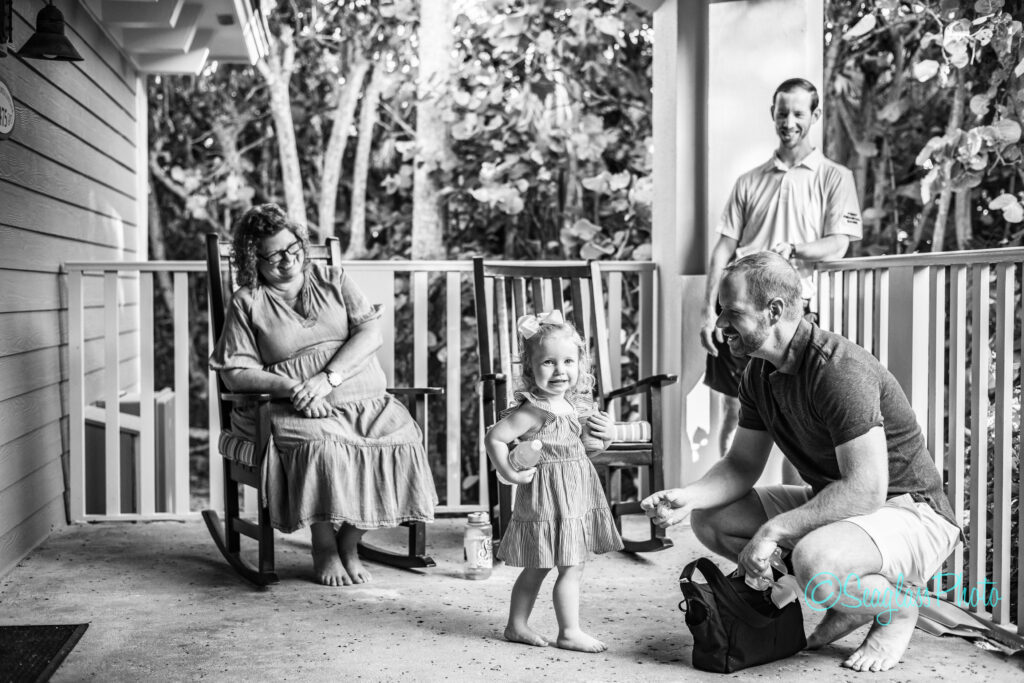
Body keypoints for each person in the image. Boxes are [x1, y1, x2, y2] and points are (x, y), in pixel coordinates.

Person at [643, 252, 960, 673]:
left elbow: (867, 489)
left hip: (910, 511)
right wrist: (688, 496)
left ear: (773, 311)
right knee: (710, 519)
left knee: (815, 561)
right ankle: (846, 597)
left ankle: (895, 609)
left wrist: (775, 531)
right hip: (843, 505)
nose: (720, 324)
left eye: (731, 312)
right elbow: (741, 464)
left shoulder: (837, 371)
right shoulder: (758, 373)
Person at [209, 203, 437, 587]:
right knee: (325, 448)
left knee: (404, 440)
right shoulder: (247, 302)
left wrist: (325, 380)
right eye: (274, 255)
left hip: (366, 403)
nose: (288, 260)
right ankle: (324, 544)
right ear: (253, 260)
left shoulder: (335, 278)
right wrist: (294, 387)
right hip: (293, 410)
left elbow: (370, 334)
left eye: (294, 248)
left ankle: (350, 538)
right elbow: (235, 372)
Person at [701, 77, 863, 462]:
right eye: (781, 112)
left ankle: (798, 511)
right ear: (772, 114)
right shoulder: (748, 181)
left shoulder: (835, 177)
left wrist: (795, 249)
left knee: (803, 417)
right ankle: (731, 504)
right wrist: (709, 312)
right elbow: (723, 248)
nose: (788, 121)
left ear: (815, 115)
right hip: (739, 313)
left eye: (798, 113)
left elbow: (839, 243)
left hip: (798, 313)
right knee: (734, 410)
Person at [486, 311, 623, 653]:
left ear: (580, 364)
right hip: (546, 496)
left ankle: (519, 625)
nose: (560, 370)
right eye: (548, 362)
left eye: (568, 361)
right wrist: (509, 471)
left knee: (557, 563)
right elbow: (495, 437)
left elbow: (585, 450)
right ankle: (566, 631)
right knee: (550, 564)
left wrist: (606, 437)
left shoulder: (575, 405)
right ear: (530, 369)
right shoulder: (535, 409)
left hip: (573, 494)